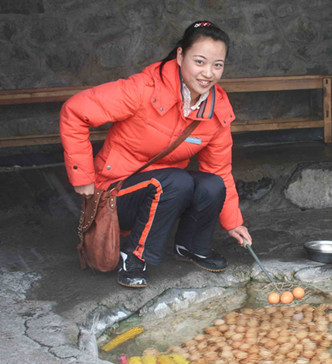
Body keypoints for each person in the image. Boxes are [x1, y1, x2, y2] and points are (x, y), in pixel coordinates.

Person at [60, 20, 252, 288]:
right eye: (199, 61)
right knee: (177, 180)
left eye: (217, 65)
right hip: (117, 193)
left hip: (164, 190)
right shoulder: (143, 89)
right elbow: (75, 111)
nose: (208, 73)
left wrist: (233, 222)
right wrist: (82, 176)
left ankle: (191, 246)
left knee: (211, 183)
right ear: (180, 55)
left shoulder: (217, 107)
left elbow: (219, 170)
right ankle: (134, 257)